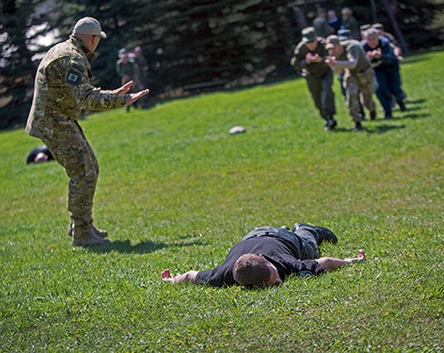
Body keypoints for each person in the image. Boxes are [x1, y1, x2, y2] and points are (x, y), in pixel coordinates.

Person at [25, 16, 150, 246]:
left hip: (57, 119)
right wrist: (123, 100)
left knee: (89, 166)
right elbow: (86, 98)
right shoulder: (73, 59)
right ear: (93, 39)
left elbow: (81, 91)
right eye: (98, 40)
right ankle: (82, 233)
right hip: (54, 122)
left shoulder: (64, 49)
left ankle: (82, 225)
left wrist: (112, 94)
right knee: (83, 171)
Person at [161, 223, 365, 288]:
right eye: (274, 283)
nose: (279, 280)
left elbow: (325, 261)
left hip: (284, 239)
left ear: (266, 260)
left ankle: (304, 228)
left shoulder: (283, 262)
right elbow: (189, 276)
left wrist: (350, 261)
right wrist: (173, 281)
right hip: (253, 235)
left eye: (275, 275)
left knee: (308, 247)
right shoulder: (223, 275)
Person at [324, 35, 377, 132]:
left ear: (339, 45)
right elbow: (338, 71)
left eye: (334, 48)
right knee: (351, 96)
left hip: (365, 71)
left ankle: (372, 109)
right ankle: (357, 122)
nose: (332, 51)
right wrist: (332, 65)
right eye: (330, 49)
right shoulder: (333, 54)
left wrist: (336, 63)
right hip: (351, 74)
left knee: (367, 97)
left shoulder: (353, 46)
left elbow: (353, 63)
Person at [290, 27, 337, 131]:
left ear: (316, 38)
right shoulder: (301, 48)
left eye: (313, 41)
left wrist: (321, 60)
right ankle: (326, 119)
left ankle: (330, 116)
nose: (311, 44)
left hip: (325, 72)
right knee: (317, 98)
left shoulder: (324, 44)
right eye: (308, 42)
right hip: (311, 75)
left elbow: (332, 58)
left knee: (327, 91)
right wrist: (306, 61)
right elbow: (295, 64)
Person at [362, 28, 406, 119]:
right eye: (369, 40)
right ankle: (388, 112)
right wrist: (367, 59)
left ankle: (400, 102)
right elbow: (361, 63)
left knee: (395, 88)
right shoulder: (363, 47)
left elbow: (391, 58)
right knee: (379, 89)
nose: (372, 42)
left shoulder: (385, 43)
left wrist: (381, 56)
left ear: (378, 37)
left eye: (374, 39)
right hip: (378, 70)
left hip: (391, 68)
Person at [116, 48, 142, 112]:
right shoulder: (119, 63)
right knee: (125, 93)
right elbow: (119, 72)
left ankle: (136, 105)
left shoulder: (131, 63)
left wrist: (135, 82)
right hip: (125, 80)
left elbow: (136, 72)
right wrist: (124, 76)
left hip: (133, 78)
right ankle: (127, 108)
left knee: (135, 91)